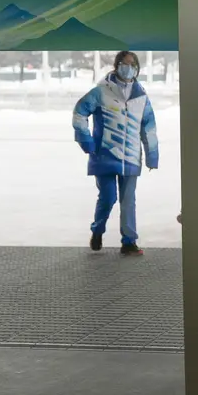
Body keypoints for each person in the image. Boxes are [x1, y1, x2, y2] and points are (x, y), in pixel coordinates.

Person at [73, 51, 159, 256]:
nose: (128, 67)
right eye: (124, 63)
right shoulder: (101, 92)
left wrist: (152, 155)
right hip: (104, 156)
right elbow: (79, 112)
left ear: (137, 68)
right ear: (116, 65)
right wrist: (86, 141)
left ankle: (129, 241)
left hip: (130, 158)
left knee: (128, 200)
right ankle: (98, 230)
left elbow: (149, 128)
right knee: (108, 197)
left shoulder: (141, 97)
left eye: (132, 64)